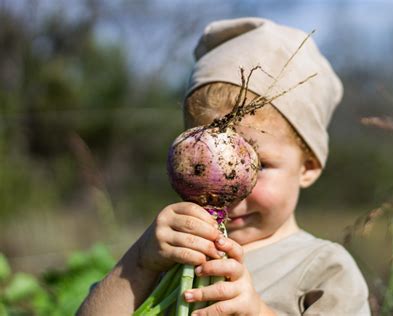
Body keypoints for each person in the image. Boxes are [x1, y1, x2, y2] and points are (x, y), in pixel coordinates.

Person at [78, 17, 370, 315]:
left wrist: (257, 311)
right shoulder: (165, 256)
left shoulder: (324, 268)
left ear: (308, 166)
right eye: (203, 166)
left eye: (261, 166)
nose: (230, 196)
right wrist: (140, 260)